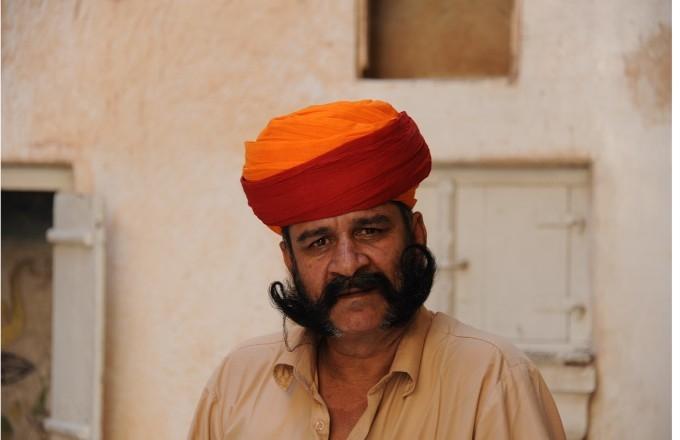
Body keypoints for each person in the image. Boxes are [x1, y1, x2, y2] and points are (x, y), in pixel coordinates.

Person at [188, 100, 566, 439]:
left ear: (415, 234)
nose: (350, 263)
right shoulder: (238, 383)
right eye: (319, 242)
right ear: (290, 259)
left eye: (370, 231)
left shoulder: (494, 379)